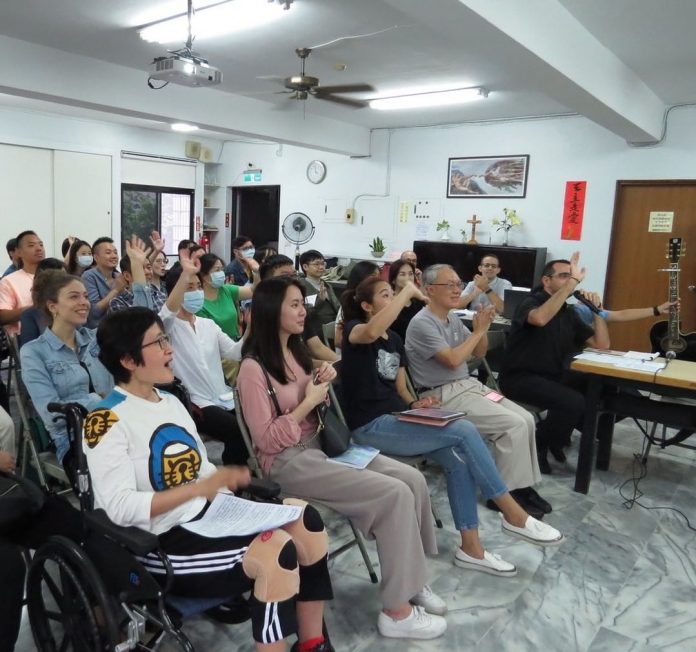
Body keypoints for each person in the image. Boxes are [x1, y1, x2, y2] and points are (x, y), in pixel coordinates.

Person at [87, 307, 335, 652]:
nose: (169, 349)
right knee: (274, 551)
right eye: (158, 343)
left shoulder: (170, 402)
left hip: (209, 517)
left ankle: (313, 644)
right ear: (128, 360)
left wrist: (221, 485)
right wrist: (199, 489)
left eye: (166, 338)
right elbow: (119, 508)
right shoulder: (105, 420)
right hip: (162, 542)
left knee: (306, 521)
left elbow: (200, 468)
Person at [238, 276, 448, 641]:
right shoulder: (253, 369)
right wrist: (307, 400)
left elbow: (315, 400)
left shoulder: (298, 353)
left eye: (302, 304)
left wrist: (324, 379)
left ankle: (411, 580)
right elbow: (266, 441)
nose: (303, 312)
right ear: (271, 311)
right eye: (294, 305)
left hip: (322, 446)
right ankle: (397, 612)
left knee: (412, 479)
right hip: (289, 462)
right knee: (393, 493)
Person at [341, 276, 564, 573]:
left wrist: (415, 404)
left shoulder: (393, 340)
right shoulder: (355, 330)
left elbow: (400, 388)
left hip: (397, 418)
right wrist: (408, 291)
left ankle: (471, 548)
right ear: (367, 306)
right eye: (385, 295)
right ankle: (513, 513)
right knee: (464, 430)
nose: (393, 298)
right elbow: (370, 331)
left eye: (393, 294)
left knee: (460, 459)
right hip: (370, 426)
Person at [405, 264, 551, 517]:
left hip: (467, 386)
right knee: (512, 425)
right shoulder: (422, 323)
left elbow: (480, 352)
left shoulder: (451, 318)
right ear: (430, 290)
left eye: (458, 284)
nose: (456, 290)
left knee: (526, 419)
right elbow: (452, 360)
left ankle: (521, 487)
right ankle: (502, 494)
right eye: (449, 285)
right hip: (440, 394)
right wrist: (479, 331)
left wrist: (480, 327)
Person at [498, 254, 611, 473]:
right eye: (564, 276)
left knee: (601, 390)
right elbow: (540, 318)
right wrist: (572, 283)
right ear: (546, 280)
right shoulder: (530, 302)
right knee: (572, 402)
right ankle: (539, 443)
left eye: (571, 276)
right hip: (520, 378)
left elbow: (601, 344)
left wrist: (597, 311)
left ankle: (556, 438)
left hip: (552, 375)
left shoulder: (567, 311)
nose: (570, 281)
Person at [157, 250, 248, 466]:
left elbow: (235, 352)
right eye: (189, 288)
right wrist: (185, 274)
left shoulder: (207, 324)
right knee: (237, 430)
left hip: (222, 396)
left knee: (253, 422)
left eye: (198, 287)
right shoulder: (168, 327)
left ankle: (248, 471)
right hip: (195, 402)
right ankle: (234, 477)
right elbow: (166, 313)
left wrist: (250, 328)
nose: (196, 292)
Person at [20, 270, 113, 465]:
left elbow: (141, 326)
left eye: (85, 296)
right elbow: (52, 414)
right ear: (52, 306)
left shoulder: (95, 339)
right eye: (74, 297)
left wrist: (137, 269)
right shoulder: (33, 352)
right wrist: (99, 401)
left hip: (116, 427)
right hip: (73, 438)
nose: (84, 302)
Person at [259, 255, 338, 363]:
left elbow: (317, 348)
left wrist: (340, 364)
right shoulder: (263, 316)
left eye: (293, 275)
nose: (303, 312)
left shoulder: (300, 313)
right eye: (285, 276)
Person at [198, 253, 256, 340]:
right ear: (203, 275)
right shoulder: (198, 302)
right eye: (217, 270)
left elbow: (253, 291)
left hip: (234, 342)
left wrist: (256, 271)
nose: (221, 273)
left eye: (222, 269)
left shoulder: (226, 289)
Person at [0, 230, 46, 334]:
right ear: (18, 252)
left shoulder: (54, 276)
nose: (39, 248)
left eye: (41, 244)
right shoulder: (8, 281)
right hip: (26, 337)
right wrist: (33, 310)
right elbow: (2, 316)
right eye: (31, 245)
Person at [19, 257, 67, 348]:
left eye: (66, 278)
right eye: (60, 279)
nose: (66, 283)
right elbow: (29, 350)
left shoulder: (72, 309)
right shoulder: (31, 315)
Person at [334, 260, 380, 349]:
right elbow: (338, 341)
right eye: (373, 276)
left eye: (378, 276)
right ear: (360, 278)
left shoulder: (373, 300)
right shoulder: (350, 303)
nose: (377, 281)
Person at [81, 236, 125, 327]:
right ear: (96, 257)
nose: (114, 256)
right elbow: (94, 312)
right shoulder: (89, 276)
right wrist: (116, 290)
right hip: (98, 330)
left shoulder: (119, 276)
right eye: (108, 253)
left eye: (115, 252)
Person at [298, 250, 340, 336]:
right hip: (315, 331)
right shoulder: (301, 287)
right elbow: (303, 315)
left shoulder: (327, 285)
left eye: (323, 264)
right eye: (316, 264)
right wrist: (320, 301)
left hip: (335, 326)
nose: (321, 267)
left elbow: (337, 306)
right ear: (305, 267)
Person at [388, 260, 426, 342]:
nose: (408, 278)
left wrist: (421, 282)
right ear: (393, 280)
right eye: (402, 274)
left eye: (411, 274)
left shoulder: (417, 301)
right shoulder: (388, 302)